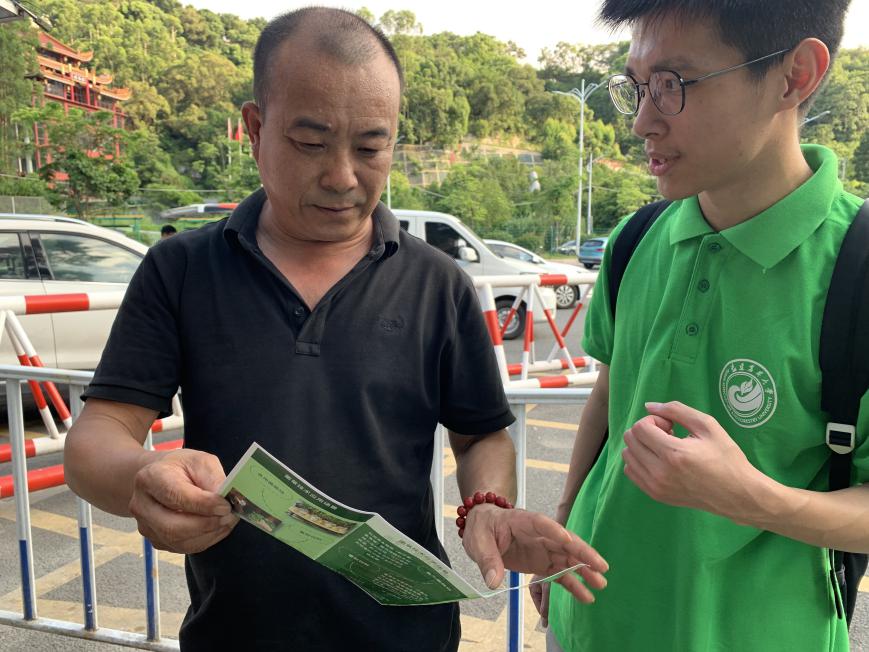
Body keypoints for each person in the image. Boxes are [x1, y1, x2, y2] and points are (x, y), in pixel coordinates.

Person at [63, 7, 608, 652]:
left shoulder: (436, 283)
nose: (343, 176)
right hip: (234, 635)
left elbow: (480, 433)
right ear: (255, 129)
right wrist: (141, 476)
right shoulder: (181, 270)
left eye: (371, 147)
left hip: (408, 635)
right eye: (311, 143)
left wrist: (487, 504)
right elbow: (97, 437)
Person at [532, 1, 869, 651]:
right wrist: (567, 520)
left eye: (673, 84)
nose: (641, 122)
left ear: (794, 75)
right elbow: (611, 392)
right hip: (588, 628)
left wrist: (751, 498)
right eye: (636, 85)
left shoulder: (855, 270)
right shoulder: (636, 239)